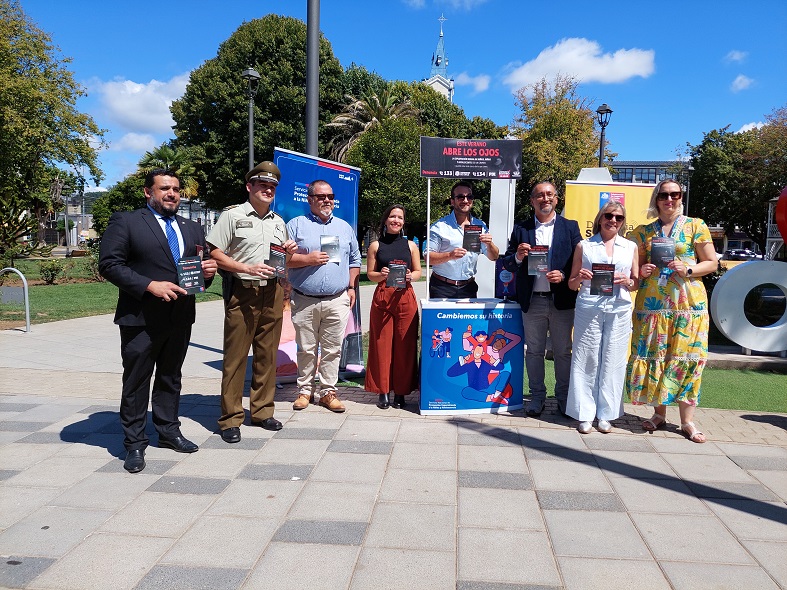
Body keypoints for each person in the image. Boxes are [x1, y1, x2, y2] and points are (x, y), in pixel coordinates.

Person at [99, 169, 217, 473]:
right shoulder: (126, 221)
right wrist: (149, 286)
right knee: (137, 381)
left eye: (176, 189)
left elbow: (195, 270)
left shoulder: (192, 228)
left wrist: (208, 273)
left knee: (170, 377)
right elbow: (110, 264)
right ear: (148, 192)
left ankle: (168, 431)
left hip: (180, 316)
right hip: (141, 317)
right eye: (165, 188)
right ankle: (135, 443)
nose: (172, 194)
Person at [206, 161, 297, 444]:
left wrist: (290, 253)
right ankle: (230, 418)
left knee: (267, 356)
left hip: (271, 293)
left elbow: (281, 262)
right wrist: (245, 268)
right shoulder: (232, 216)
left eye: (272, 187)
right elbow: (215, 253)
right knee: (235, 359)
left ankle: (261, 411)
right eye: (262, 185)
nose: (268, 190)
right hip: (242, 292)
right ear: (250, 187)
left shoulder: (278, 222)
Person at [626, 180, 718, 443]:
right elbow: (635, 267)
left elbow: (712, 262)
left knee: (687, 357)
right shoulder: (643, 232)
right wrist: (641, 271)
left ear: (681, 197)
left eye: (675, 194)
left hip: (688, 305)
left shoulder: (695, 226)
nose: (669, 199)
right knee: (657, 355)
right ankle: (659, 414)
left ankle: (687, 422)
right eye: (664, 195)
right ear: (656, 199)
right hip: (653, 307)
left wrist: (688, 269)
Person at [502, 181, 581, 417]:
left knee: (563, 351)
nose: (545, 198)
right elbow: (506, 263)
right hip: (533, 300)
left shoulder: (570, 227)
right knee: (534, 351)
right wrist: (517, 256)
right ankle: (536, 397)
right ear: (532, 201)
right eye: (539, 195)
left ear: (557, 199)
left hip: (562, 300)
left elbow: (580, 262)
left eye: (549, 195)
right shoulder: (521, 229)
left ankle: (564, 398)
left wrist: (565, 274)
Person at [286, 180, 361, 413]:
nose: (326, 200)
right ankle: (305, 390)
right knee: (306, 348)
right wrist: (307, 259)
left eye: (330, 196)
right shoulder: (295, 226)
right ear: (310, 200)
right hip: (304, 298)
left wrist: (351, 287)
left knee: (332, 348)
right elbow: (280, 260)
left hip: (337, 298)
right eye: (321, 197)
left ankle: (328, 391)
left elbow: (355, 260)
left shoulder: (344, 227)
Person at [565, 201, 639, 434]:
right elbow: (571, 283)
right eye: (609, 215)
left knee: (613, 360)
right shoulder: (584, 246)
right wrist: (581, 277)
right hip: (589, 306)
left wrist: (627, 281)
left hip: (619, 307)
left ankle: (606, 414)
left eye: (618, 217)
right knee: (586, 358)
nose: (613, 221)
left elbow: (636, 282)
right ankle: (584, 414)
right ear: (600, 218)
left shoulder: (630, 247)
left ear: (623, 222)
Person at [364, 204, 422, 409]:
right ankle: (383, 390)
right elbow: (370, 274)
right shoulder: (375, 246)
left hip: (405, 296)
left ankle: (401, 392)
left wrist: (410, 276)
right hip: (383, 297)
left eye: (400, 217)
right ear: (386, 220)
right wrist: (382, 274)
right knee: (381, 345)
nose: (396, 220)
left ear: (403, 222)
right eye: (392, 216)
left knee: (405, 347)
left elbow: (418, 272)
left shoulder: (411, 246)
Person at [426, 180, 499, 298]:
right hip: (442, 288)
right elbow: (428, 258)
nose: (465, 200)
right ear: (452, 202)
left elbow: (494, 257)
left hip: (468, 288)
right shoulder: (439, 227)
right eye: (460, 197)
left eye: (469, 197)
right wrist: (449, 255)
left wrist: (490, 244)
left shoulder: (480, 225)